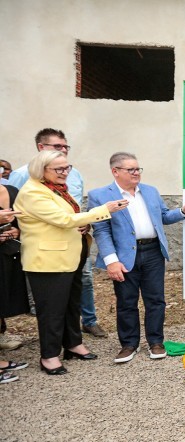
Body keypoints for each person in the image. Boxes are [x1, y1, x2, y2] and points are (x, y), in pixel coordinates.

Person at [15, 150, 128, 375]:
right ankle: (48, 355)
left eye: (67, 168)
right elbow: (64, 219)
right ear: (42, 170)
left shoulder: (56, 189)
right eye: (59, 169)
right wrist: (104, 210)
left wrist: (83, 225)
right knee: (52, 311)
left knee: (70, 305)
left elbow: (67, 219)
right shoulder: (33, 192)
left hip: (70, 255)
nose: (65, 172)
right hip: (47, 261)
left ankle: (73, 344)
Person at [89, 152, 185, 364]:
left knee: (156, 300)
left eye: (138, 169)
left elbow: (164, 217)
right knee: (126, 301)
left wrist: (183, 211)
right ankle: (129, 344)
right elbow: (101, 230)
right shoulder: (100, 195)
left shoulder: (150, 191)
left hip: (153, 253)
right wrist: (112, 261)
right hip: (123, 256)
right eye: (131, 169)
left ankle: (156, 342)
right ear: (115, 171)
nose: (136, 173)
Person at [8, 129, 108, 338]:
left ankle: (87, 323)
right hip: (48, 251)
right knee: (53, 302)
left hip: (75, 243)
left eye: (65, 146)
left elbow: (74, 208)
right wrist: (14, 228)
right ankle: (52, 343)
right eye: (57, 147)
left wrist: (85, 223)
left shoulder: (74, 173)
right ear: (41, 149)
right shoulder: (24, 177)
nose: (63, 150)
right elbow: (14, 207)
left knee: (83, 283)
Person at [1, 182, 30, 353]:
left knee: (4, 298)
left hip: (9, 253)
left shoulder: (12, 191)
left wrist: (17, 231)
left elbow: (24, 219)